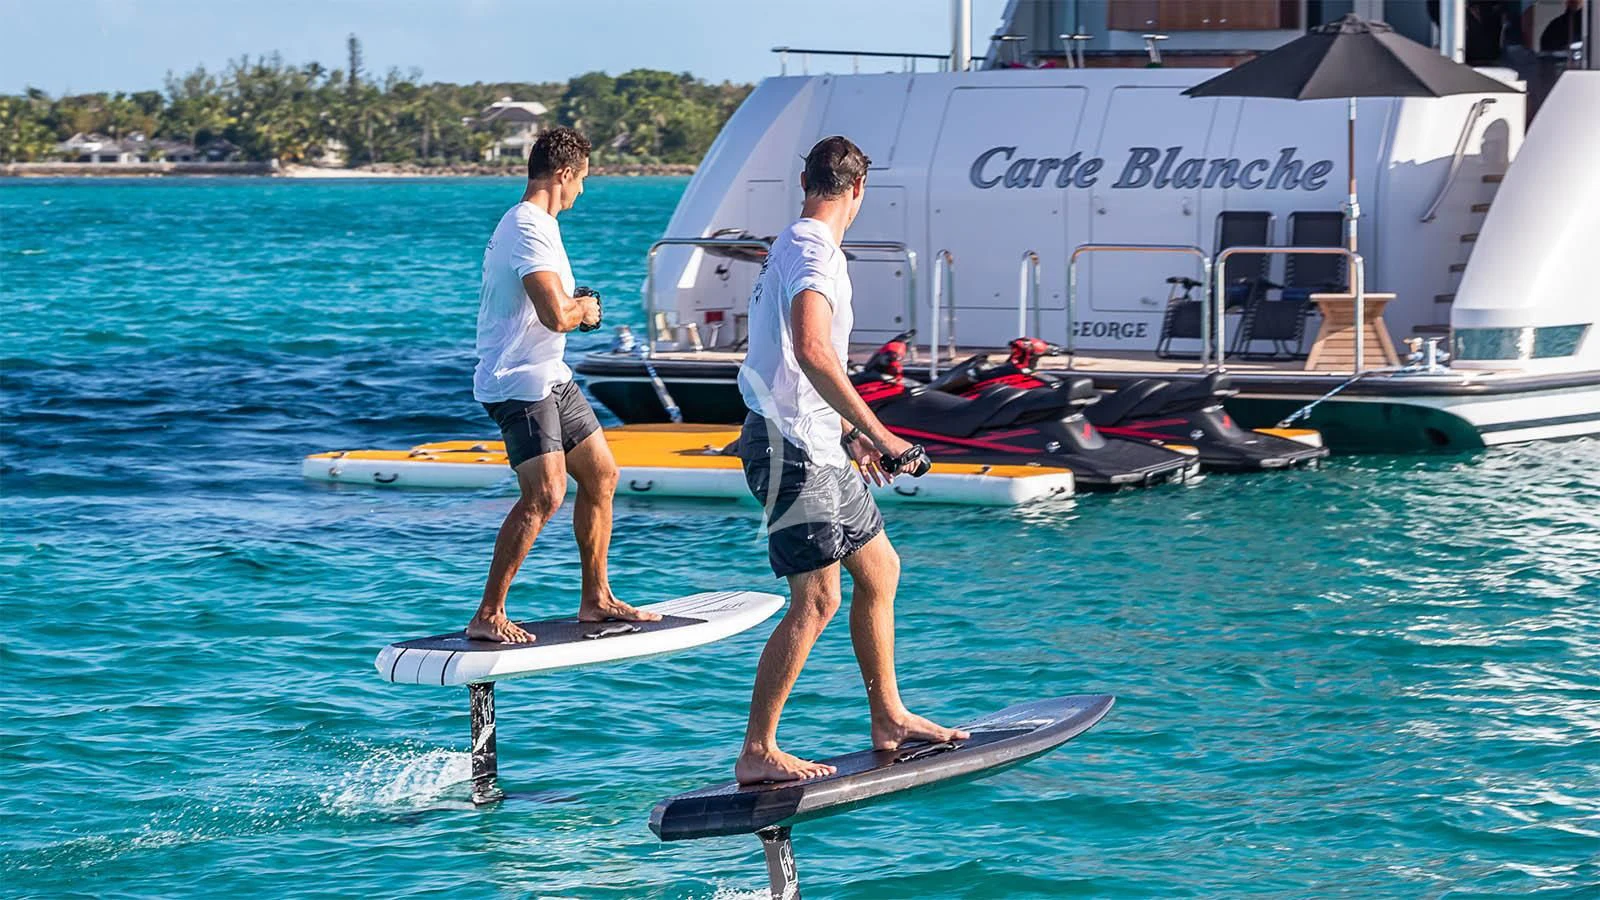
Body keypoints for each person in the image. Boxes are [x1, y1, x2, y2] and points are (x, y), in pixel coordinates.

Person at [733, 135, 967, 784]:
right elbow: (812, 350)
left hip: (816, 439)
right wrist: (883, 435)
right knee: (816, 600)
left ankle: (888, 715)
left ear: (804, 182)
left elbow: (793, 362)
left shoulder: (794, 242)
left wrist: (849, 434)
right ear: (859, 191)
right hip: (789, 448)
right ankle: (758, 749)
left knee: (881, 568)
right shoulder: (813, 253)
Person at [468, 126, 658, 643]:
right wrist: (587, 310)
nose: (583, 192)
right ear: (564, 175)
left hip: (550, 375)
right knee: (546, 493)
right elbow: (555, 314)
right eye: (582, 182)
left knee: (601, 474)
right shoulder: (528, 227)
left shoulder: (540, 226)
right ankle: (488, 613)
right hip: (518, 382)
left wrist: (575, 310)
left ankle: (596, 599)